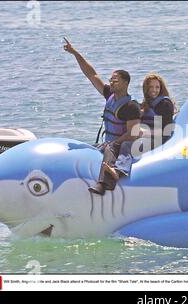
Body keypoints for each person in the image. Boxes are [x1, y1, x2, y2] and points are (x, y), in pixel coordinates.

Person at [63, 37, 141, 195]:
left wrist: (113, 143)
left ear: (126, 83)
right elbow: (91, 74)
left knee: (110, 148)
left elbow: (132, 135)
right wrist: (74, 53)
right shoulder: (109, 95)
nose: (111, 83)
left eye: (116, 81)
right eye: (111, 80)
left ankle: (104, 184)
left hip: (123, 144)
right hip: (108, 142)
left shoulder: (131, 106)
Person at [140, 73, 176, 149]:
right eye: (151, 87)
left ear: (161, 89)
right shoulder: (145, 105)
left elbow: (166, 131)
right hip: (146, 138)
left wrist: (144, 133)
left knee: (126, 145)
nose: (154, 90)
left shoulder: (164, 104)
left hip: (160, 141)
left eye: (157, 87)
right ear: (146, 88)